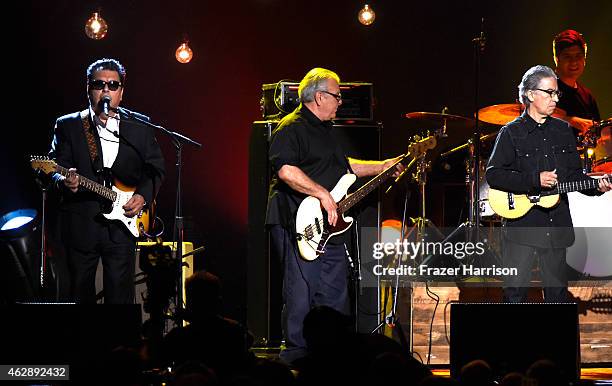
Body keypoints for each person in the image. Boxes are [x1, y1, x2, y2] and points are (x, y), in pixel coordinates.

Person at [265, 67, 404, 365]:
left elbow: (345, 167)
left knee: (335, 294)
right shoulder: (291, 127)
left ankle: (332, 359)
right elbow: (286, 169)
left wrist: (383, 166)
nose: (340, 102)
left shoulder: (326, 131)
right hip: (296, 222)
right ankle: (295, 360)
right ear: (318, 97)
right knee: (301, 293)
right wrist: (322, 194)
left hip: (330, 227)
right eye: (337, 96)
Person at [486, 65, 610, 303]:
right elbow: (494, 175)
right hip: (522, 227)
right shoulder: (511, 132)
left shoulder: (564, 131)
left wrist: (597, 187)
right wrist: (534, 180)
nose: (555, 99)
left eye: (556, 94)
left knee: (557, 296)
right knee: (515, 295)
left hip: (556, 226)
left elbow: (574, 176)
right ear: (531, 94)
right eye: (549, 93)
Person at [49, 58, 165, 304]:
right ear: (88, 88)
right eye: (99, 84)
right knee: (79, 297)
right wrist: (62, 180)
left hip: (122, 226)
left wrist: (143, 197)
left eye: (113, 85)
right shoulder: (68, 125)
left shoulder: (139, 125)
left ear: (121, 92)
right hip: (81, 225)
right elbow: (51, 168)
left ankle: (121, 344)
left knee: (120, 300)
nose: (106, 90)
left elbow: (155, 169)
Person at [553, 29, 600, 132]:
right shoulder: (543, 90)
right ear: (557, 59)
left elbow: (597, 137)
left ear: (584, 59)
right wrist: (570, 120)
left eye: (578, 56)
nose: (573, 61)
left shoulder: (587, 96)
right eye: (567, 56)